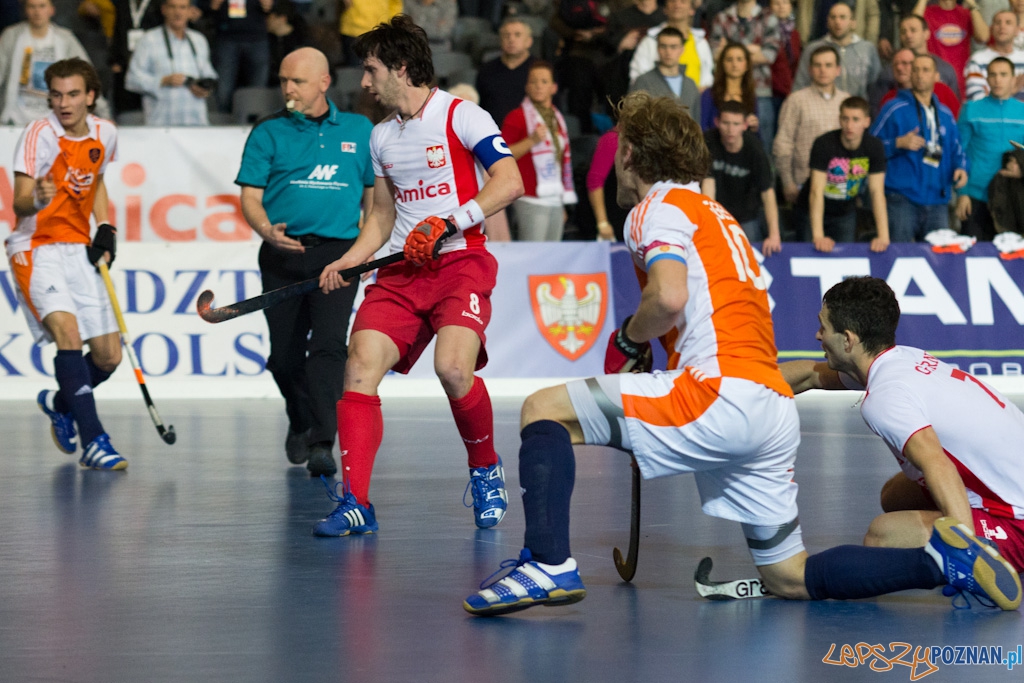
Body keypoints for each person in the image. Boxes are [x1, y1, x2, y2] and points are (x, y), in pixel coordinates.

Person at [462, 92, 1022, 616]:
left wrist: (631, 338)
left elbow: (669, 295)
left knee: (542, 409)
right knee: (788, 577)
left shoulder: (654, 208)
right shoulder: (720, 216)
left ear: (631, 153)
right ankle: (939, 563)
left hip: (718, 394)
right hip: (770, 409)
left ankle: (547, 564)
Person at [313, 16, 524, 536]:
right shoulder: (381, 137)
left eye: (371, 69)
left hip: (461, 262)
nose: (364, 83)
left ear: (401, 69)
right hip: (403, 271)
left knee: (454, 370)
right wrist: (348, 260)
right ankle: (356, 500)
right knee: (359, 365)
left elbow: (510, 180)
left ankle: (485, 469)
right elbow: (383, 218)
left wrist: (450, 221)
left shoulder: (462, 115)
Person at [781, 276, 1024, 583]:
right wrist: (740, 388)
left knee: (883, 536)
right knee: (895, 496)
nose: (817, 336)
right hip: (1010, 481)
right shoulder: (900, 360)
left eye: (823, 327)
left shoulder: (885, 397)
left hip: (1016, 519)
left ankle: (975, 556)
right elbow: (811, 376)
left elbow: (936, 462)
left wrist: (964, 549)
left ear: (848, 340)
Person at [235, 48, 373, 476]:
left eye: (296, 81)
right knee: (285, 357)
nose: (287, 88)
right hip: (283, 254)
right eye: (283, 80)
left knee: (330, 346)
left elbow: (373, 198)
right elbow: (251, 197)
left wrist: (364, 250)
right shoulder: (268, 131)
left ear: (324, 83)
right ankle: (300, 417)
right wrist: (264, 229)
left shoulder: (358, 129)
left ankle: (322, 441)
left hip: (339, 253)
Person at [5, 57, 126, 470]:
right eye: (56, 94)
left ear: (91, 96)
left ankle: (61, 402)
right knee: (68, 334)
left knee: (109, 357)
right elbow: (19, 200)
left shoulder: (105, 132)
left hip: (78, 248)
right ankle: (95, 441)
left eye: (73, 94)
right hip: (35, 246)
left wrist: (105, 225)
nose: (63, 103)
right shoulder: (38, 133)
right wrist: (38, 196)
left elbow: (96, 181)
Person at [871, 54, 968, 242]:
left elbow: (958, 150)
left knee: (938, 262)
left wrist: (962, 169)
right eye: (915, 70)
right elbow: (869, 148)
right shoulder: (893, 108)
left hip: (938, 201)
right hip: (902, 200)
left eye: (925, 70)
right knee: (901, 257)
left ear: (936, 76)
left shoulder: (945, 114)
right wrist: (897, 143)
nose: (919, 75)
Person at [801, 96, 889, 251]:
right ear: (839, 120)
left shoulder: (874, 146)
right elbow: (816, 191)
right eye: (845, 119)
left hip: (845, 213)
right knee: (810, 255)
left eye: (856, 119)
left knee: (844, 259)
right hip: (810, 211)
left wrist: (883, 235)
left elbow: (876, 192)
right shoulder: (824, 144)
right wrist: (818, 236)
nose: (849, 125)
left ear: (866, 122)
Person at [502, 60, 577, 242]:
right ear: (526, 86)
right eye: (533, 81)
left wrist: (561, 202)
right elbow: (502, 156)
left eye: (544, 82)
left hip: (554, 198)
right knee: (534, 255)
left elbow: (561, 161)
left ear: (553, 87)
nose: (538, 86)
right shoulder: (517, 117)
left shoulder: (558, 118)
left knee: (551, 257)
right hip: (529, 198)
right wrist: (531, 141)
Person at [700, 100, 781, 255]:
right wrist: (708, 224)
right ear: (717, 122)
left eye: (736, 124)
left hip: (747, 214)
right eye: (726, 123)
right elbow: (708, 185)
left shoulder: (755, 149)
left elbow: (767, 192)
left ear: (745, 125)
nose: (730, 130)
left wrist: (774, 235)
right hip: (718, 212)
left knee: (750, 255)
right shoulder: (708, 141)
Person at [956, 56, 1024, 241]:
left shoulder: (1022, 112)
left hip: (1012, 198)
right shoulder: (971, 109)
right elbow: (958, 153)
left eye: (1003, 74)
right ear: (986, 79)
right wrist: (962, 194)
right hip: (976, 196)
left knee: (1012, 261)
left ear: (1013, 78)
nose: (998, 79)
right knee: (974, 259)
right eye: (992, 75)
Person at [774, 45, 849, 205]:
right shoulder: (796, 101)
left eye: (828, 65)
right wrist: (787, 183)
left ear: (838, 70)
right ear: (810, 69)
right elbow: (783, 143)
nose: (823, 70)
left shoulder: (846, 101)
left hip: (841, 185)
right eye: (817, 65)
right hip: (805, 184)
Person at [0, 0, 96, 124]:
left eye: (42, 6)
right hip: (15, 119)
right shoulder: (11, 36)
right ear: (25, 10)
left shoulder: (65, 39)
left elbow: (87, 76)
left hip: (56, 120)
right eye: (32, 7)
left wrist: (103, 114)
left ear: (51, 10)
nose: (37, 12)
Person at [124, 0, 218, 125]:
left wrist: (205, 87)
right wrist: (163, 81)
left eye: (182, 7)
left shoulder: (199, 40)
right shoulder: (148, 40)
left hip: (196, 125)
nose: (178, 12)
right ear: (164, 10)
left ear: (190, 11)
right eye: (173, 7)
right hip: (161, 126)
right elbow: (131, 79)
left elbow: (209, 74)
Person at [709, 0, 781, 150]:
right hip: (726, 91)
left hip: (759, 90)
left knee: (762, 146)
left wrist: (729, 49)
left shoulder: (769, 18)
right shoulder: (722, 17)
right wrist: (753, 49)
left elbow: (769, 55)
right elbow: (715, 53)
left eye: (740, 59)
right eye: (731, 58)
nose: (736, 62)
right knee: (721, 140)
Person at [793, 2, 881, 99]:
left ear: (853, 23)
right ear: (827, 22)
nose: (837, 22)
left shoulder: (867, 49)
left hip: (857, 109)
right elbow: (800, 85)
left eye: (842, 17)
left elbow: (876, 85)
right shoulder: (813, 49)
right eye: (833, 17)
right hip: (820, 109)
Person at [200, 0, 271, 113]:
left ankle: (257, 123)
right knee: (223, 90)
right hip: (227, 36)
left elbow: (279, 5)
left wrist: (271, 4)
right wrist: (209, 5)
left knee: (258, 89)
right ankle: (223, 124)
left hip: (256, 36)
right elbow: (200, 5)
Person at [629, 0, 713, 90]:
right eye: (672, 1)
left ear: (692, 10)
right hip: (657, 101)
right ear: (665, 9)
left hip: (692, 101)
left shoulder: (701, 43)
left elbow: (707, 80)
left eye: (683, 1)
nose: (677, 4)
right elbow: (638, 79)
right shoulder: (650, 41)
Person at [915, 0, 989, 95]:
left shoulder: (966, 13)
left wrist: (973, 5)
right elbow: (913, 26)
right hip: (936, 78)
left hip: (962, 79)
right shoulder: (928, 12)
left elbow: (983, 37)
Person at [476, 18, 535, 138]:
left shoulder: (540, 70)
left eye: (517, 35)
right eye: (506, 35)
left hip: (531, 138)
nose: (511, 39)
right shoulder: (486, 70)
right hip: (492, 137)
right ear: (500, 40)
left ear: (529, 41)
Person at [629, 27, 701, 120]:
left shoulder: (690, 84)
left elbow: (696, 123)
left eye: (673, 47)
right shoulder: (643, 82)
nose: (668, 52)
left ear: (682, 49)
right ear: (658, 49)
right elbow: (633, 118)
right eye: (663, 46)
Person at [874, 48, 960, 119]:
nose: (899, 68)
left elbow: (958, 124)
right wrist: (897, 140)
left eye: (905, 63)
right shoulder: (888, 98)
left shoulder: (942, 90)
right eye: (895, 64)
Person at [895, 14, 962, 100]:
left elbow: (954, 106)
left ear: (926, 33)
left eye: (913, 30)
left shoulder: (945, 68)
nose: (908, 35)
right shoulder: (894, 70)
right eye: (903, 31)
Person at [963, 11, 1024, 101]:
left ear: (1017, 30)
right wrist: (1011, 90)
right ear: (991, 28)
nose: (1002, 27)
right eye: (997, 22)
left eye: (1008, 22)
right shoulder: (977, 60)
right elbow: (976, 101)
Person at [699, 41, 757, 132]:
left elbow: (757, 136)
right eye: (729, 59)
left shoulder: (750, 96)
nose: (734, 64)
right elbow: (702, 128)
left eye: (739, 59)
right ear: (722, 64)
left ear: (747, 65)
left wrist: (754, 127)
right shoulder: (709, 95)